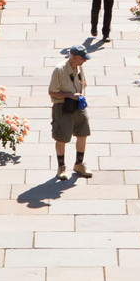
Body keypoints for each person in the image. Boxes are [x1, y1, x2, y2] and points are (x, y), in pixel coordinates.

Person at [49, 44, 92, 180]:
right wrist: (69, 95)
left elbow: (82, 84)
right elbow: (51, 92)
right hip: (62, 107)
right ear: (73, 57)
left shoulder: (79, 67)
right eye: (82, 58)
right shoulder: (59, 70)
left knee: (83, 133)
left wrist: (78, 97)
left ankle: (79, 164)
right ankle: (61, 167)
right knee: (62, 137)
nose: (84, 61)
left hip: (78, 106)